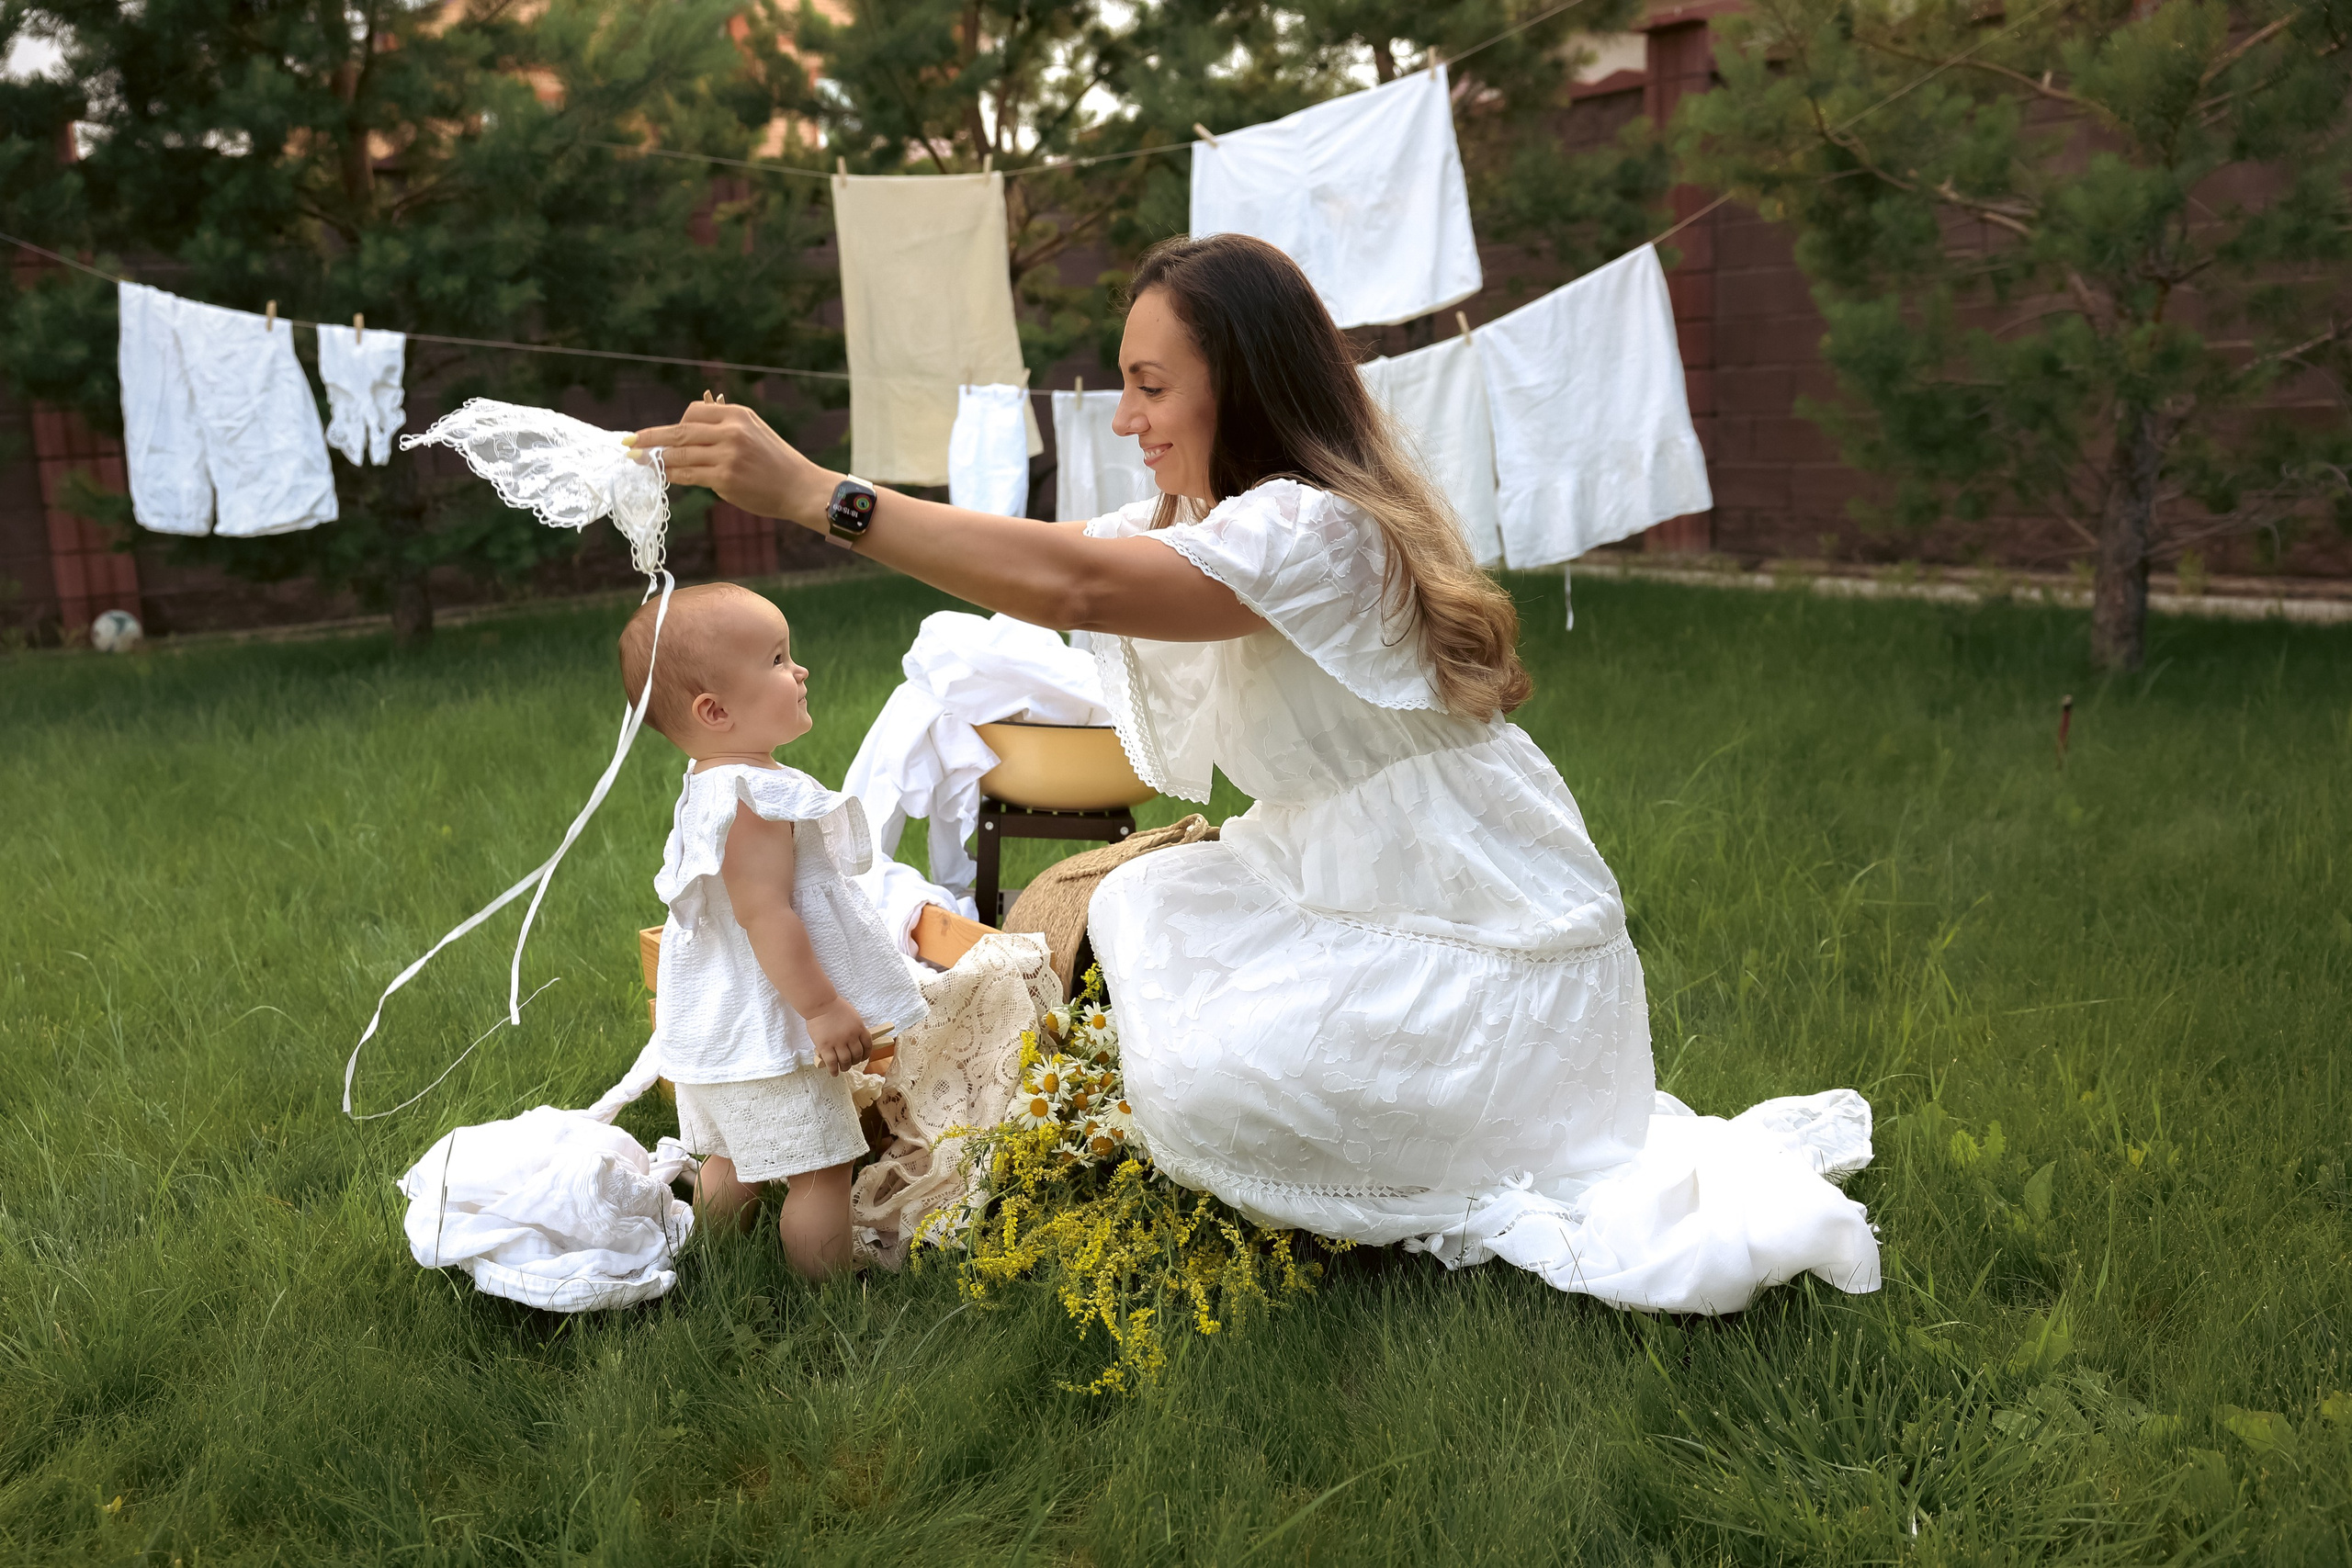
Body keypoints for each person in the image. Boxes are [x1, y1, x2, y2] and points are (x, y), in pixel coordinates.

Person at [630, 234, 1880, 1314]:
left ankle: (1446, 1137)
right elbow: (1056, 551)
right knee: (1146, 903)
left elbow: (1076, 584)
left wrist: (817, 495)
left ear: (1248, 381)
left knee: (1201, 1073)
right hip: (1346, 867)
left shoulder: (1312, 528)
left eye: (1151, 385)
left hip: (1471, 903)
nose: (1126, 419)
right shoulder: (1214, 521)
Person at [618, 581, 927, 1280]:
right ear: (715, 709)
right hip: (773, 1026)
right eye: (780, 658)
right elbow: (767, 914)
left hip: (720, 1024)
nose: (801, 670)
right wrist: (822, 1008)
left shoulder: (711, 785)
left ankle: (714, 1265)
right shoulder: (755, 799)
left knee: (734, 1157)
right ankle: (827, 1304)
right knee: (821, 1167)